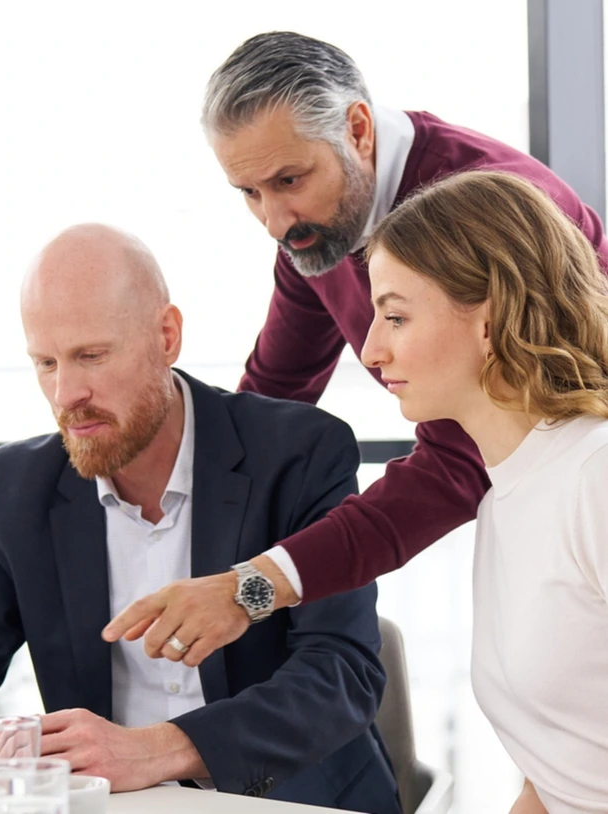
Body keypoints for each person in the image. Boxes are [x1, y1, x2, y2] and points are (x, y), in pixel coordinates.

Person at [101, 30, 608, 668]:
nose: (275, 220)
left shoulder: (491, 214)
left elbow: (455, 467)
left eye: (289, 179)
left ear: (359, 130)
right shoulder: (320, 226)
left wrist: (248, 589)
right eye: (249, 193)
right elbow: (273, 393)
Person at [0, 224, 400, 812]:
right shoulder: (15, 487)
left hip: (291, 801)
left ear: (166, 336)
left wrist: (156, 750)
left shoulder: (299, 453)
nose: (66, 393)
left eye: (91, 356)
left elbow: (341, 675)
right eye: (45, 362)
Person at [360, 170, 608, 812]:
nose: (369, 350)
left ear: (490, 321)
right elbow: (554, 774)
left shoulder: (595, 476)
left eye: (395, 316)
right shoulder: (504, 501)